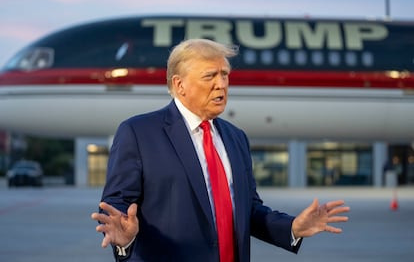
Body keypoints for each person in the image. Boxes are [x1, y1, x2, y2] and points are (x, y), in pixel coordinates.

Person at [91, 38, 350, 262]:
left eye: (225, 74)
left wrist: (292, 227)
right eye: (209, 76)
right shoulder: (139, 132)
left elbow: (249, 209)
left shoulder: (236, 138)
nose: (221, 84)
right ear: (180, 85)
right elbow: (116, 205)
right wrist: (123, 237)